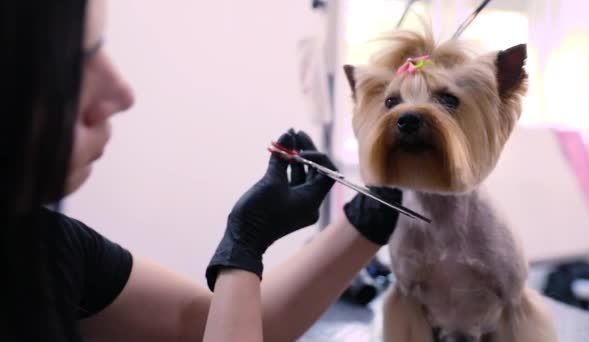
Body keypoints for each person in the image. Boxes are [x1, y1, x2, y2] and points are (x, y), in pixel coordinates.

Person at [0, 0, 402, 341]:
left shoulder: (47, 248)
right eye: (75, 63)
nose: (123, 94)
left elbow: (211, 324)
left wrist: (367, 217)